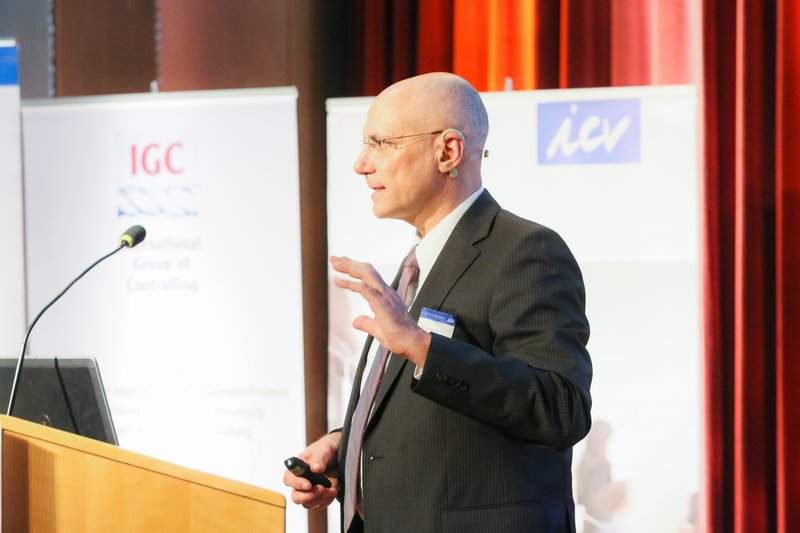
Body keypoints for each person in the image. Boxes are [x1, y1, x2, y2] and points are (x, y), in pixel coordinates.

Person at [283, 72, 592, 533]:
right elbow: (436, 424)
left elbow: (561, 408)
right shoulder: (419, 262)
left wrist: (423, 348)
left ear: (447, 151)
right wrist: (346, 449)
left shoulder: (525, 251)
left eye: (381, 143)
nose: (361, 164)